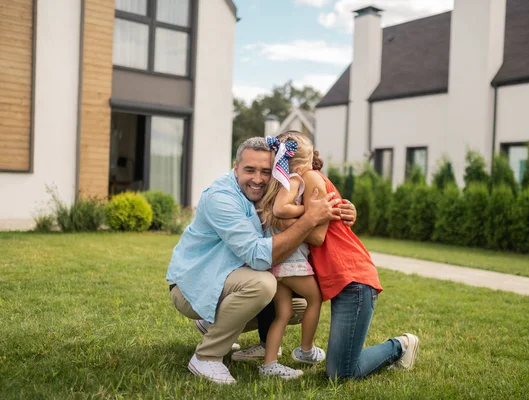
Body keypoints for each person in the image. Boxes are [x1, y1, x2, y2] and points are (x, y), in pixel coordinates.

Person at [166, 137, 355, 385]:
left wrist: (343, 210)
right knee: (264, 284)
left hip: (225, 277)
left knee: (295, 307)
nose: (257, 179)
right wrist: (310, 218)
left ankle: (216, 324)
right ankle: (207, 356)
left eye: (265, 171)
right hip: (193, 286)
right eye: (249, 170)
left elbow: (295, 210)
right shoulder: (221, 198)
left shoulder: (268, 190)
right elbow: (257, 256)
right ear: (235, 168)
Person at [234, 131, 420, 380]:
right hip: (324, 274)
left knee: (341, 374)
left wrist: (280, 220)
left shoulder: (309, 178)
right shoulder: (289, 181)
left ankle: (401, 345)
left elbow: (318, 236)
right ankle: (284, 351)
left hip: (351, 279)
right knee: (286, 307)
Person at [255, 134, 325, 379]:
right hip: (291, 260)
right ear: (307, 163)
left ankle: (269, 364)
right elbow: (280, 209)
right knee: (314, 299)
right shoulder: (294, 179)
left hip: (275, 261)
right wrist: (310, 210)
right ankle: (306, 350)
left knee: (282, 313)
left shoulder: (276, 180)